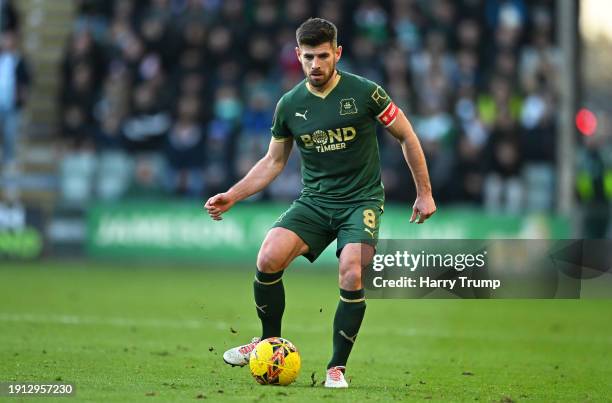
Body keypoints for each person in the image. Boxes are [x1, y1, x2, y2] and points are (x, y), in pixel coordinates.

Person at [204, 18, 436, 388]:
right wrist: (233, 195)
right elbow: (273, 162)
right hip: (314, 202)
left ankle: (336, 368)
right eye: (308, 57)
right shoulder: (290, 104)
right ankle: (267, 342)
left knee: (352, 271)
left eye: (323, 56)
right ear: (298, 55)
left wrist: (424, 192)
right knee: (267, 257)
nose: (316, 64)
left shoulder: (366, 93)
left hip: (360, 201)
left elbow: (406, 136)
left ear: (337, 54)